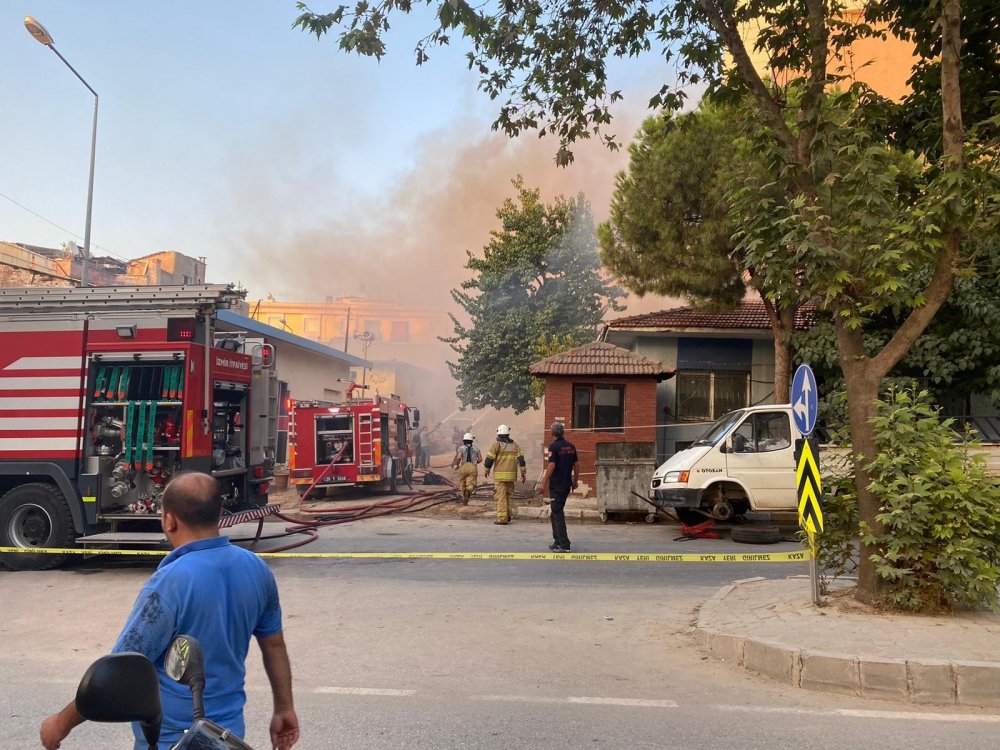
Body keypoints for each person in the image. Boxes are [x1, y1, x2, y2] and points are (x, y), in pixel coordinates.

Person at [40, 472, 299, 750]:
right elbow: (274, 645)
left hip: (172, 740)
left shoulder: (168, 584)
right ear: (220, 514)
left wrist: (61, 723)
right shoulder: (256, 568)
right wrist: (284, 709)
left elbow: (119, 673)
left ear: (169, 521)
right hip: (227, 736)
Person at [539, 421, 578, 552]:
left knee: (557, 513)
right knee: (555, 511)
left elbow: (551, 465)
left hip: (557, 485)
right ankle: (557, 540)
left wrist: (543, 483)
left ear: (552, 433)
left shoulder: (553, 447)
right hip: (566, 484)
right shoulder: (571, 446)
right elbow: (576, 465)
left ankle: (564, 545)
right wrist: (575, 481)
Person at [483, 424, 526, 525]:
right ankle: (508, 515)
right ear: (508, 434)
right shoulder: (515, 445)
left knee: (501, 496)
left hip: (500, 476)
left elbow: (489, 459)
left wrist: (486, 470)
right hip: (511, 475)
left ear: (498, 433)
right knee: (509, 495)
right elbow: (521, 460)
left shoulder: (496, 444)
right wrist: (523, 472)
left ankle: (502, 518)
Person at [451, 431, 482, 504]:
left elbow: (459, 457)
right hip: (472, 467)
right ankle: (468, 491)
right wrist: (475, 463)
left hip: (463, 467)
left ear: (464, 440)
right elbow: (480, 459)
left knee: (463, 484)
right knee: (472, 484)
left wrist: (456, 465)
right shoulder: (476, 448)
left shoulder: (461, 448)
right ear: (472, 440)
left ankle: (464, 499)